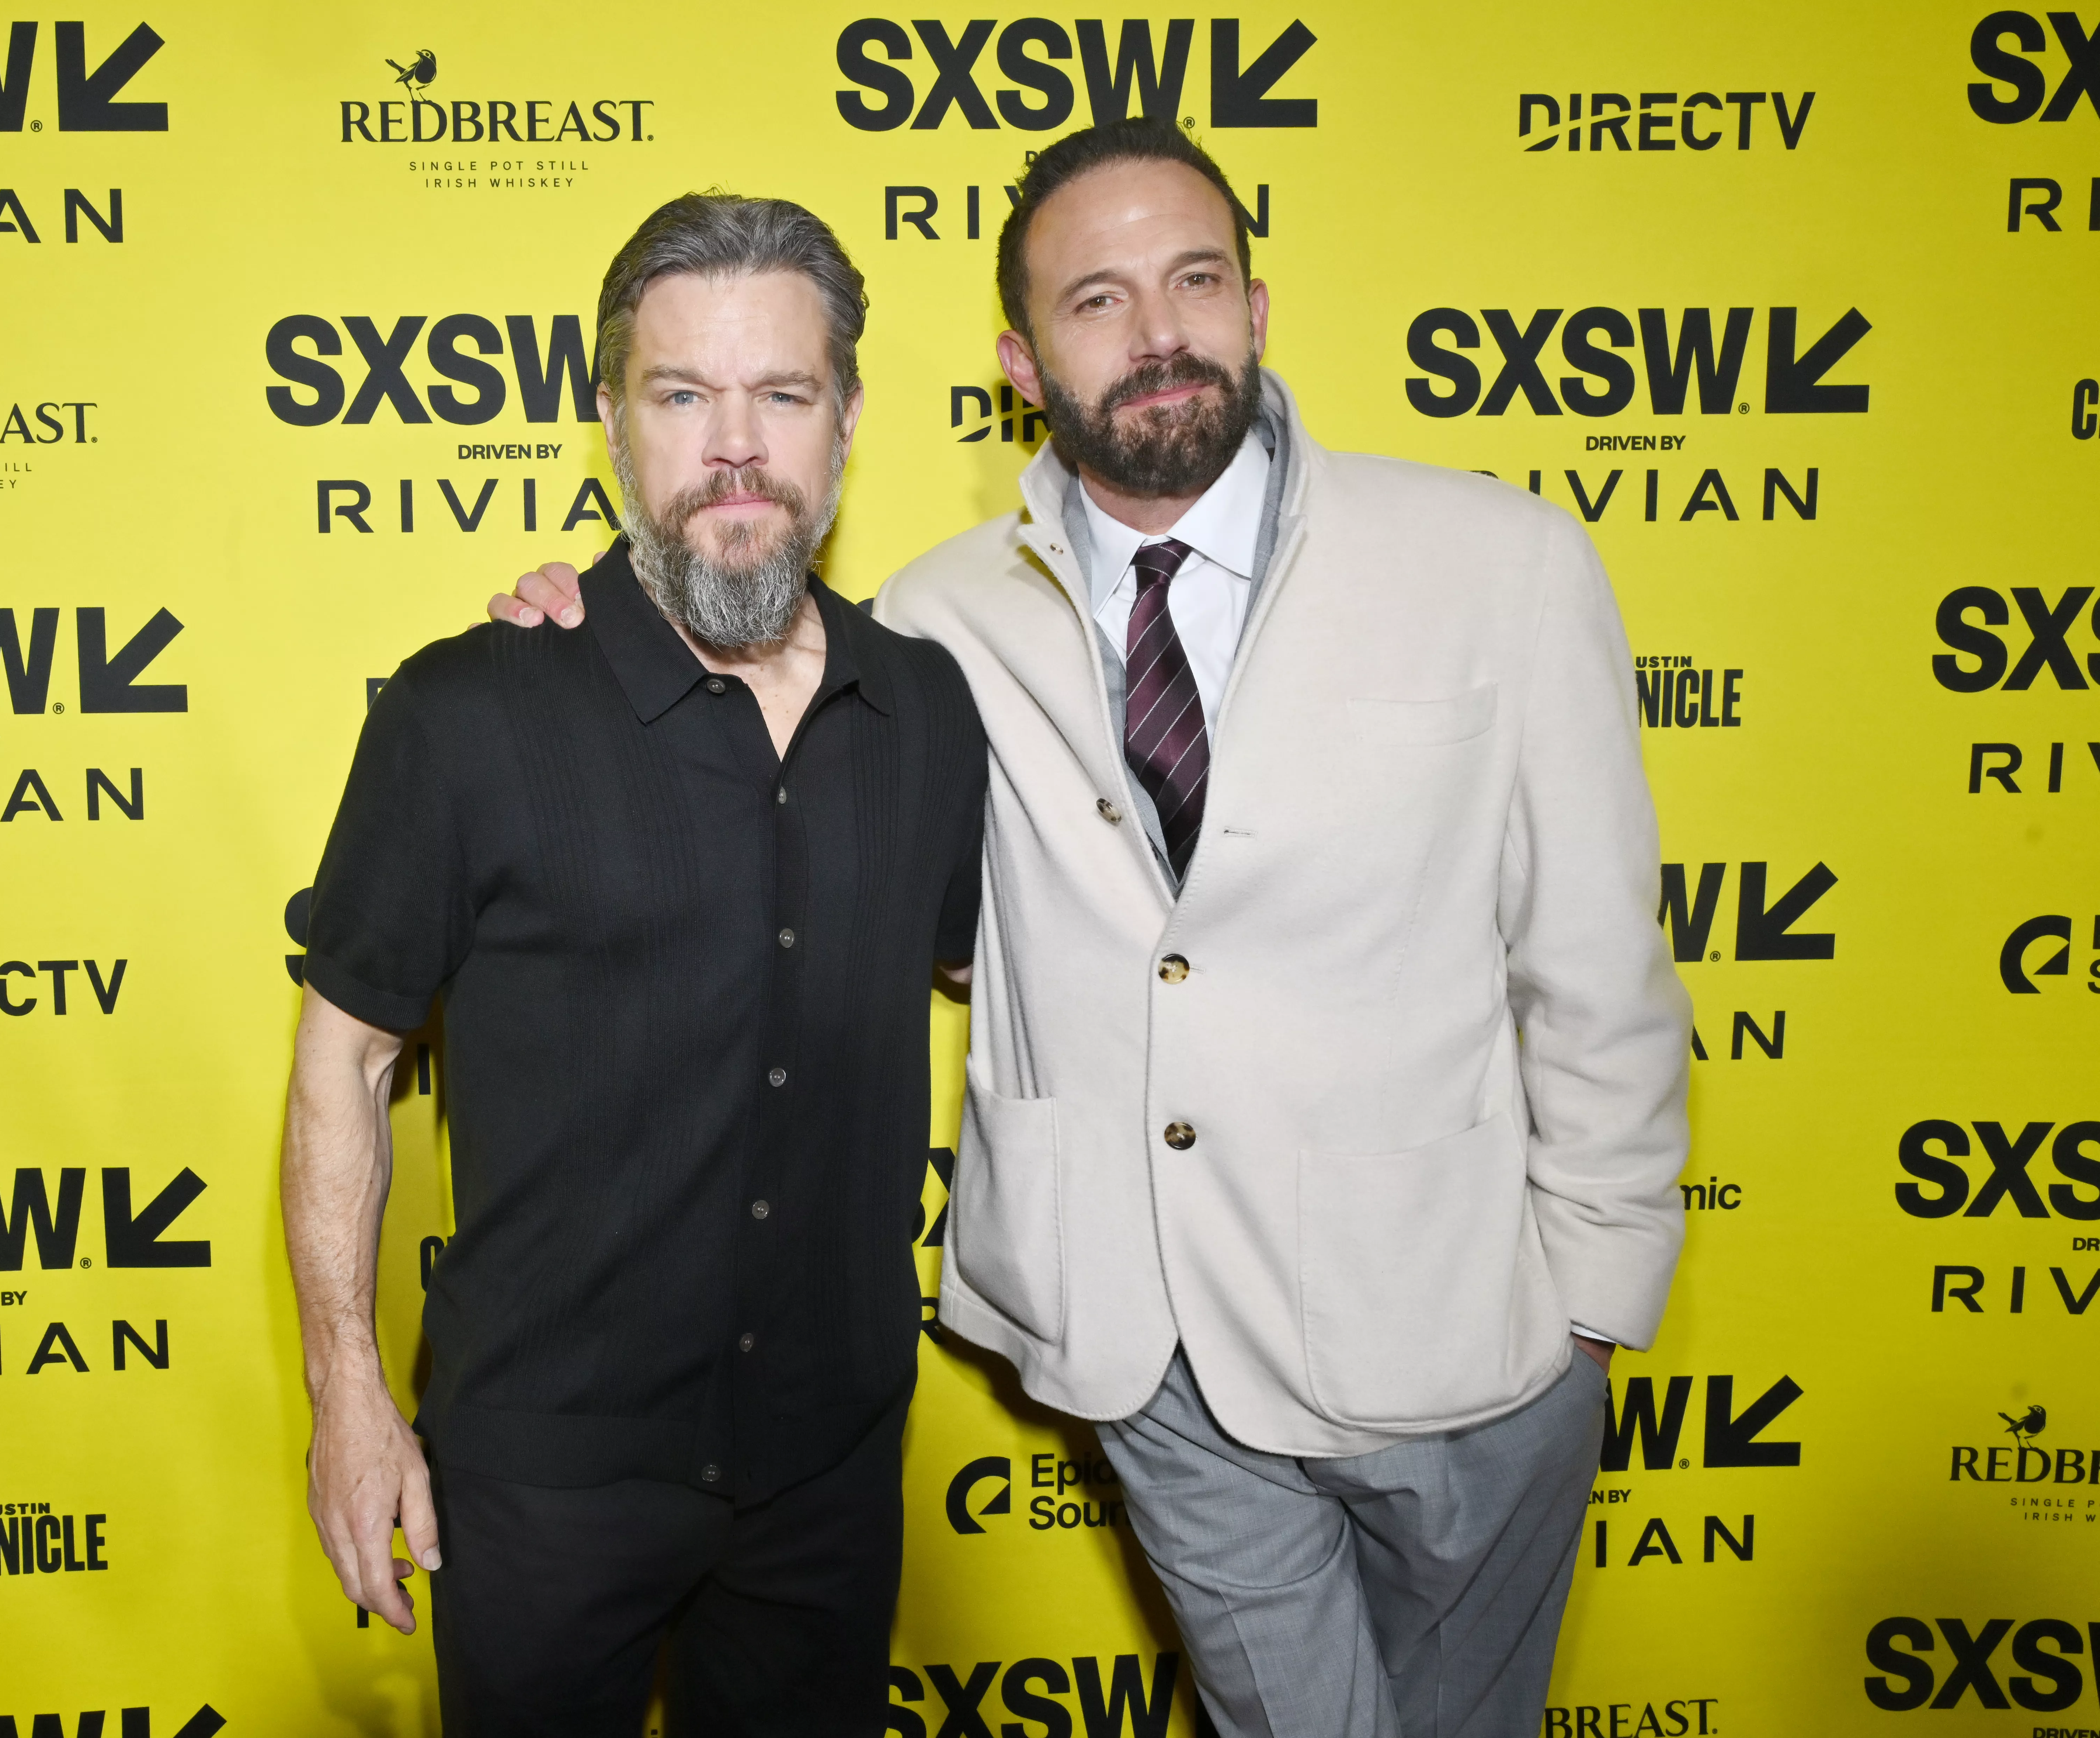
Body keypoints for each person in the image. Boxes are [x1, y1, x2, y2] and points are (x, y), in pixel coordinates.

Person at [490, 118, 1691, 1738]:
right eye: (1098, 300)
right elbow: (751, 730)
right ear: (1021, 357)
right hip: (1156, 1354)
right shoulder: (926, 625)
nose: (1160, 333)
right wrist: (576, 625)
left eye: (1196, 281)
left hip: (1471, 1332)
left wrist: (1594, 1314)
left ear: (1257, 306)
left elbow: (1598, 958)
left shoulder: (1506, 563)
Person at [280, 191, 985, 1736]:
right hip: (542, 1478)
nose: (736, 447)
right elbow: (346, 1050)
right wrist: (346, 1390)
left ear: (847, 422)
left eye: (782, 396)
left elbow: (992, 977)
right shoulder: (465, 713)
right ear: (612, 421)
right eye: (682, 396)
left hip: (831, 1466)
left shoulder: (932, 711)